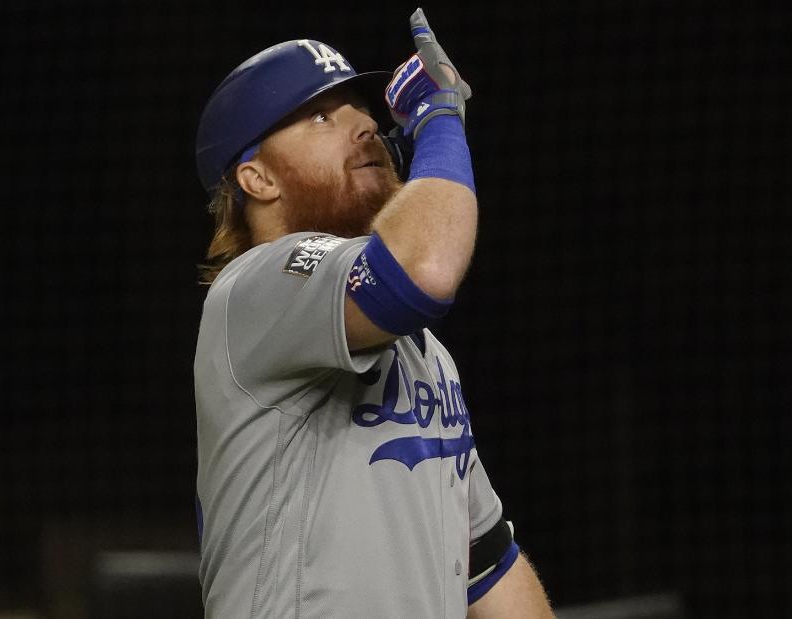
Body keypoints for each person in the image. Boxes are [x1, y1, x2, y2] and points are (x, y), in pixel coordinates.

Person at [192, 9, 555, 618]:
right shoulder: (254, 290)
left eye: (361, 107)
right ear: (256, 177)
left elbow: (486, 563)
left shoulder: (422, 350)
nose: (366, 124)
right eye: (320, 117)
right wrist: (439, 120)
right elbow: (423, 273)